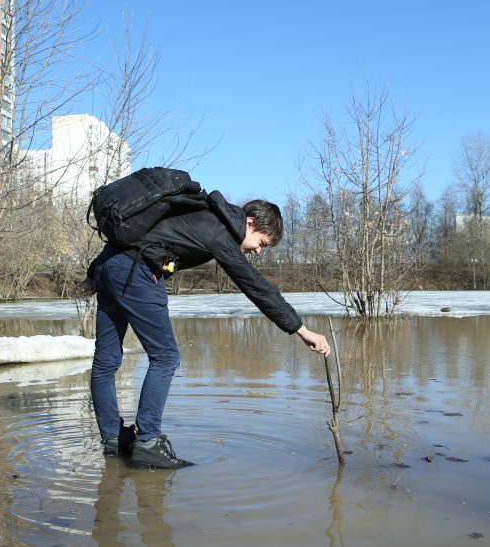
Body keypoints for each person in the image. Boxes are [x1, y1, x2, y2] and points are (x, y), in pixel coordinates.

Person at [85, 192, 331, 469]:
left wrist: (96, 270)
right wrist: (301, 329)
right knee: (165, 357)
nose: (259, 251)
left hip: (111, 266)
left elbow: (134, 235)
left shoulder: (200, 214)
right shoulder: (219, 230)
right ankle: (148, 443)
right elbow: (255, 286)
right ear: (250, 222)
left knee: (106, 360)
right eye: (262, 243)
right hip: (136, 272)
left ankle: (113, 440)